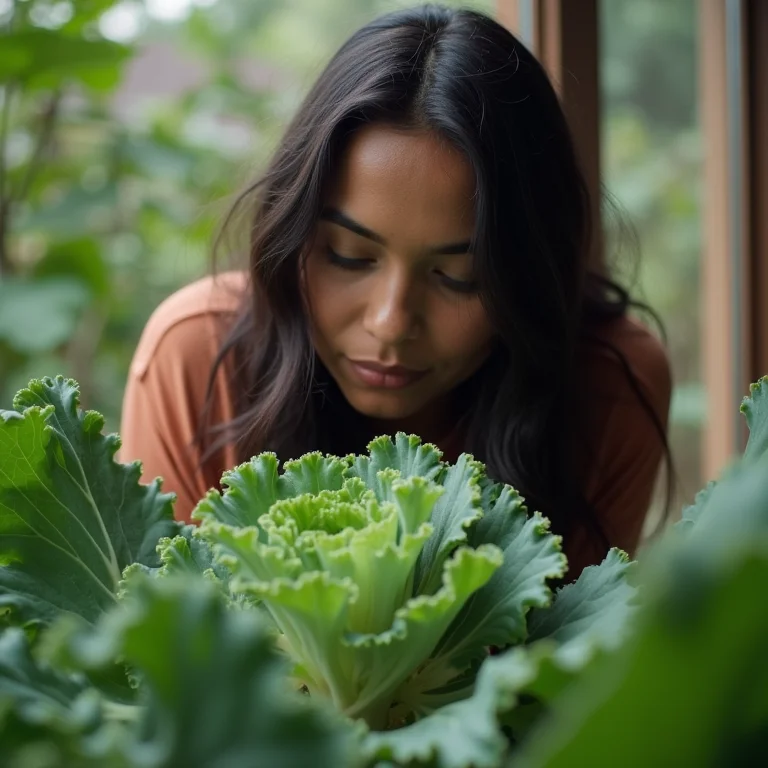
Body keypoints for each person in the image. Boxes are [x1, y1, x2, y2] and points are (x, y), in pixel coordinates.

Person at [120, 4, 672, 577]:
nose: (390, 322)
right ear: (293, 237)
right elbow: (167, 648)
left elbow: (573, 656)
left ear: (529, 278)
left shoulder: (608, 384)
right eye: (349, 256)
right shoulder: (198, 355)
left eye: (459, 276)